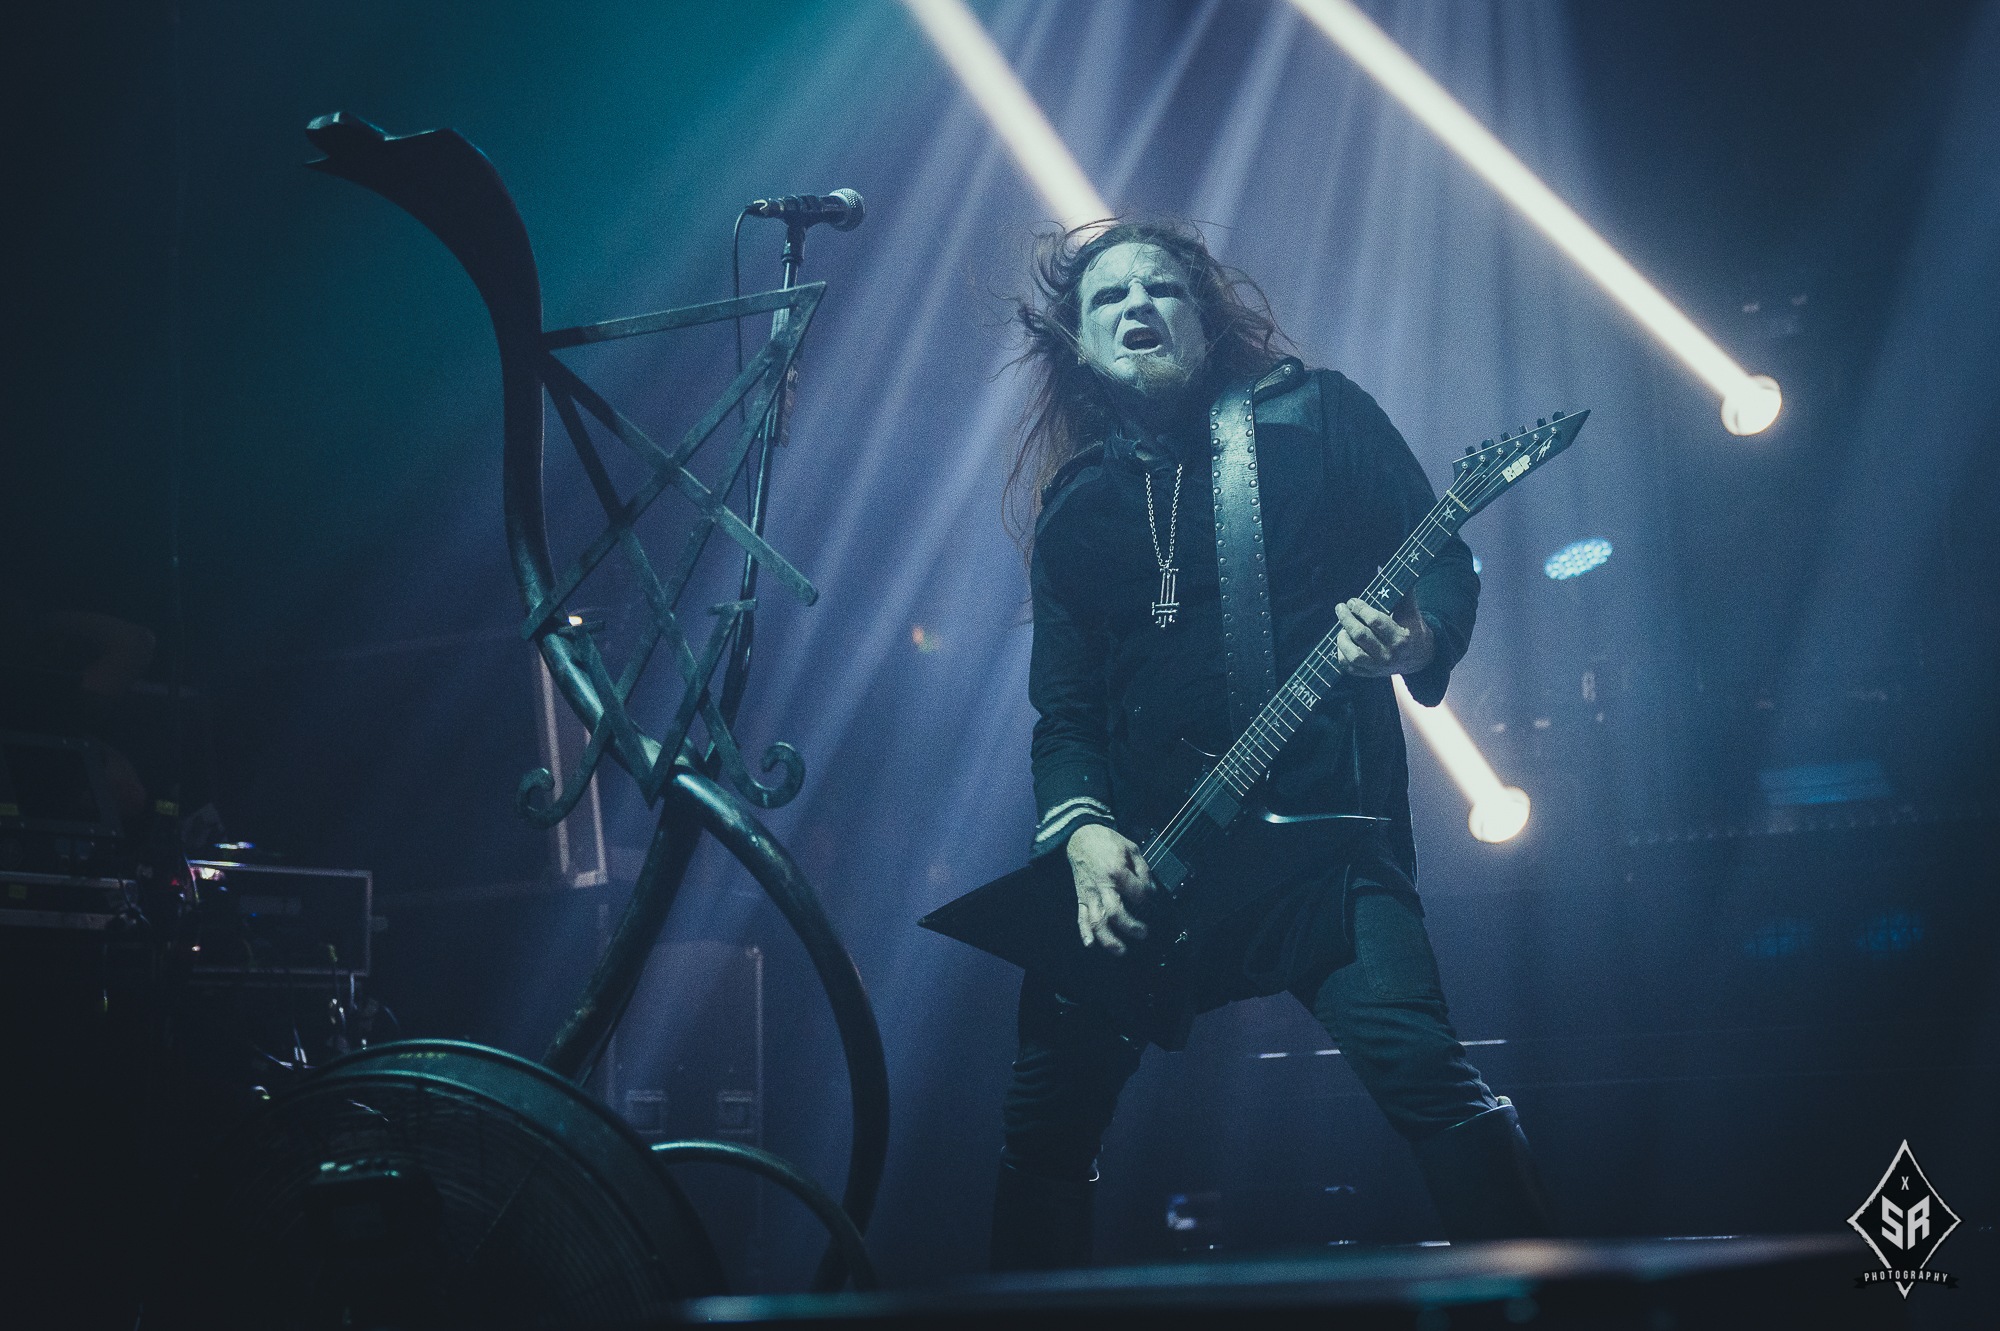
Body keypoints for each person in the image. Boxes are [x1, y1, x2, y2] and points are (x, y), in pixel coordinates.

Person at [992, 219, 1553, 1270]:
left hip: (1320, 849)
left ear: (1205, 317)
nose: (1137, 305)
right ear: (1078, 343)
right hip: (1152, 866)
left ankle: (1558, 1300)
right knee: (1042, 1128)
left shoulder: (1316, 417)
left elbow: (1442, 557)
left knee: (1427, 1076)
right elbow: (1062, 714)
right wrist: (1082, 835)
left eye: (1161, 287)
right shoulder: (1074, 509)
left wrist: (1415, 639)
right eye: (1108, 297)